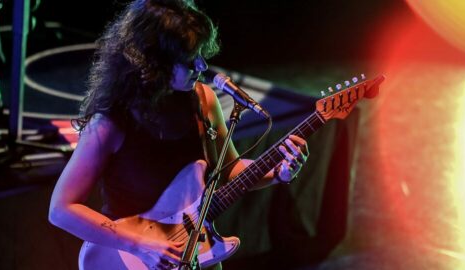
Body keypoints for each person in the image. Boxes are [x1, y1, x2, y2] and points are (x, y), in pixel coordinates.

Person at [48, 0, 308, 269]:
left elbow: (229, 170)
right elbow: (61, 209)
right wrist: (140, 244)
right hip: (130, 259)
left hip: (196, 255)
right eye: (189, 59)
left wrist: (276, 172)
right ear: (153, 62)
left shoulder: (203, 100)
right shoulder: (111, 121)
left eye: (201, 53)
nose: (202, 65)